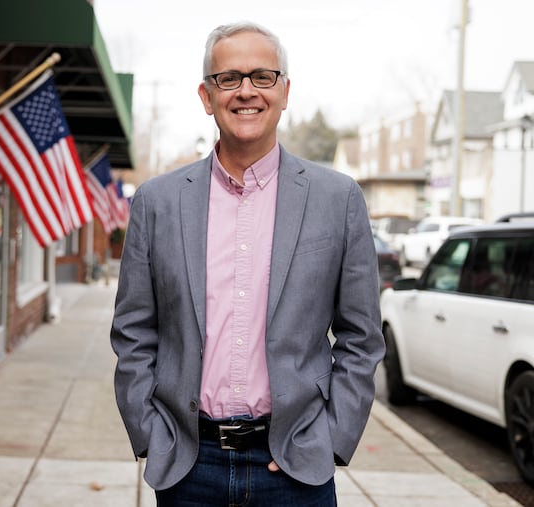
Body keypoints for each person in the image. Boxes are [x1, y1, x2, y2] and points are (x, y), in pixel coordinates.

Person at [111, 21, 385, 506]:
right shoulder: (157, 202)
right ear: (205, 94)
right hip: (188, 467)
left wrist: (333, 439)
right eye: (228, 78)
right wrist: (150, 433)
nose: (245, 92)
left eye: (262, 76)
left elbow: (361, 339)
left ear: (284, 91)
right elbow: (134, 331)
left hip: (296, 468)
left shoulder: (337, 199)